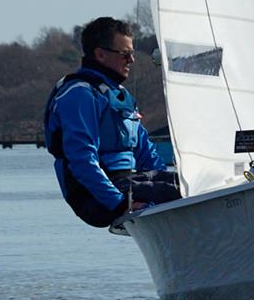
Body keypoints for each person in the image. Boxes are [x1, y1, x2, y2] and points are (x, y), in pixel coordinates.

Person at [44, 16, 180, 227]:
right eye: (125, 54)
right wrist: (119, 204)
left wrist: (166, 178)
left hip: (128, 184)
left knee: (192, 183)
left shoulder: (119, 95)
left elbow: (147, 154)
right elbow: (82, 160)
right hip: (94, 196)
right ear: (100, 54)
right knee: (181, 190)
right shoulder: (79, 95)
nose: (132, 60)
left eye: (132, 54)